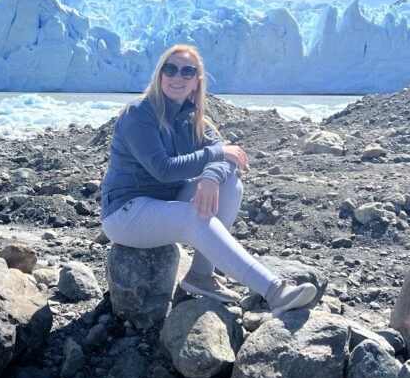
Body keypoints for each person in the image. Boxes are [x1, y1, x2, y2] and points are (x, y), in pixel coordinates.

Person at [100, 44, 317, 314]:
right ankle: (275, 291)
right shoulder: (140, 113)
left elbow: (230, 158)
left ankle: (201, 276)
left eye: (187, 71)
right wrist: (214, 154)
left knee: (230, 185)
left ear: (195, 82)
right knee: (194, 216)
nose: (177, 77)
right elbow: (163, 169)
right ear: (160, 74)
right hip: (125, 212)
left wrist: (212, 177)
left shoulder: (193, 117)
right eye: (171, 68)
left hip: (164, 204)